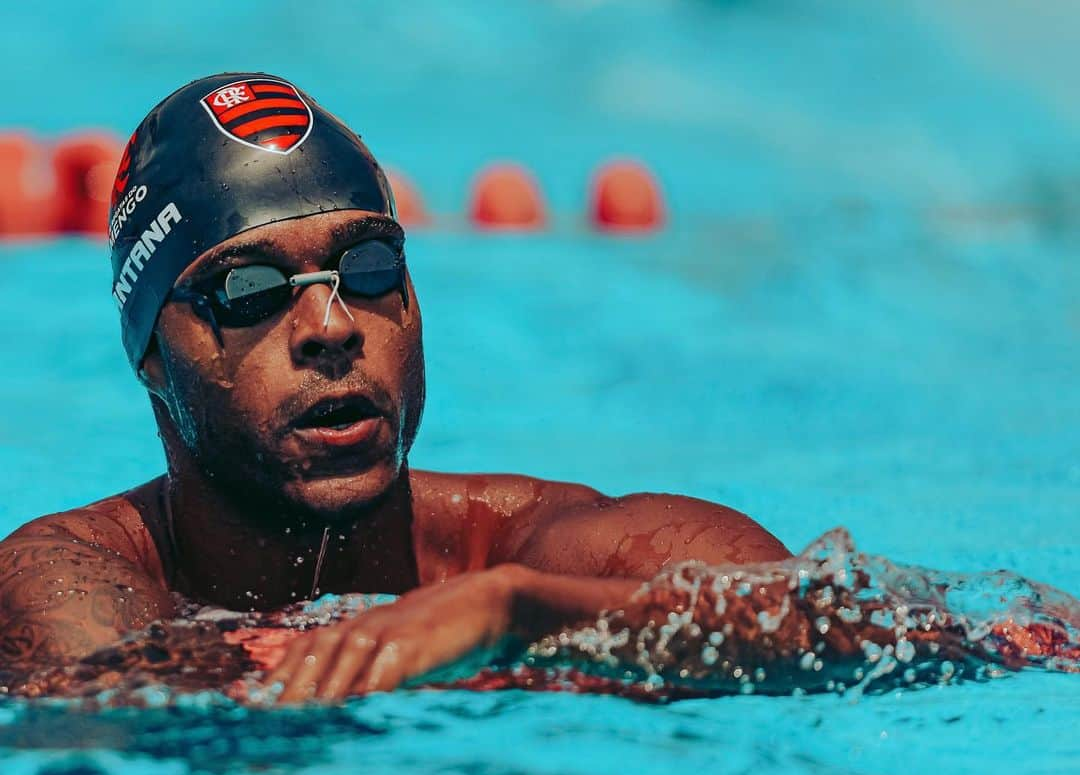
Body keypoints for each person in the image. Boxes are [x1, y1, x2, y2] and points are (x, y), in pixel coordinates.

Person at [0, 74, 789, 701]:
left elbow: (873, 630)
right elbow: (118, 734)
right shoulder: (67, 577)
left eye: (368, 267)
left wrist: (523, 616)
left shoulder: (532, 555)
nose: (332, 325)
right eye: (248, 289)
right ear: (149, 356)